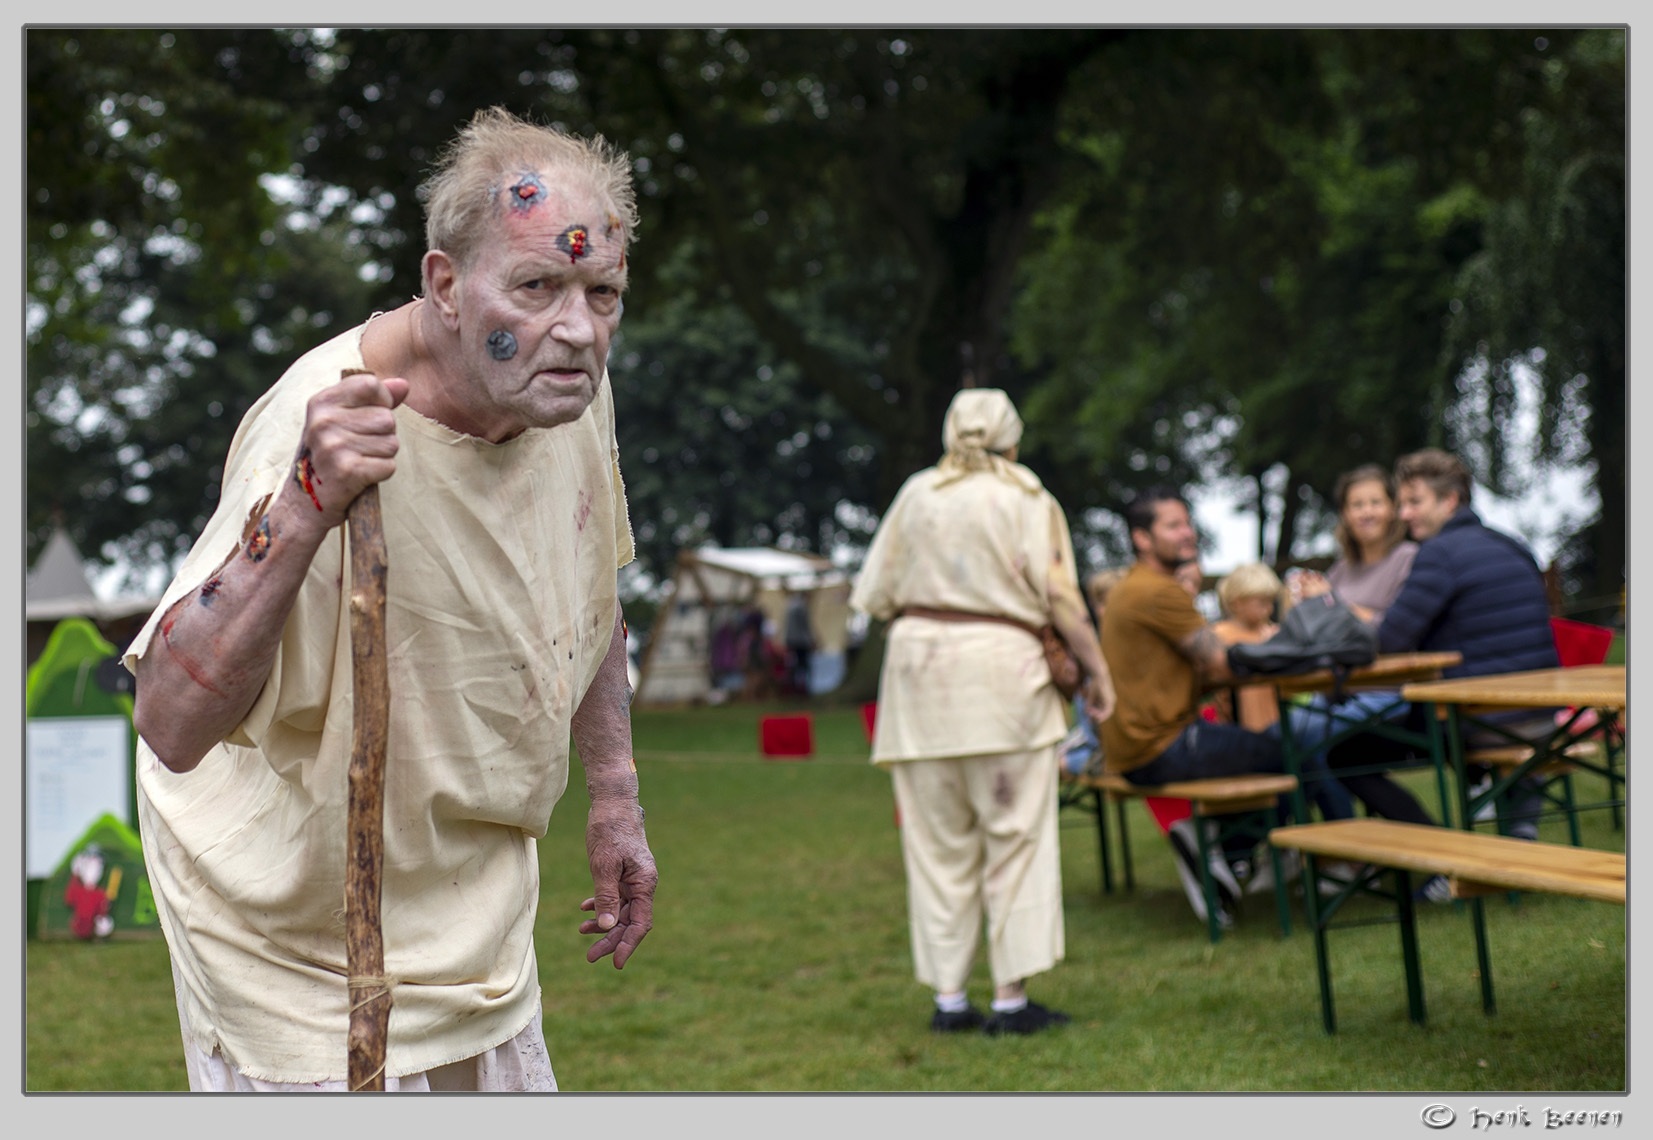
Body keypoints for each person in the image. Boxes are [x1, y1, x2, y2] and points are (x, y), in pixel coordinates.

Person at [125, 107, 658, 1091]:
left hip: (473, 918)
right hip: (300, 943)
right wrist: (303, 507)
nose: (579, 330)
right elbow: (168, 720)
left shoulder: (566, 385)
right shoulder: (323, 416)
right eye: (538, 285)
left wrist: (616, 800)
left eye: (604, 291)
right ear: (446, 286)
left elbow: (592, 592)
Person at [849, 388, 1114, 1037]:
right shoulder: (1026, 495)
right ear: (1011, 439)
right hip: (1003, 678)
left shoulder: (916, 494)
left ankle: (948, 1001)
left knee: (937, 849)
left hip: (919, 683)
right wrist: (1098, 673)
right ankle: (1008, 1000)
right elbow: (1060, 594)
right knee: (1013, 840)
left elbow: (875, 594)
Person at [1307, 449, 1561, 891]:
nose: (1403, 514)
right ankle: (1518, 830)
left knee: (1342, 755)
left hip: (1478, 721)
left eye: (1413, 502)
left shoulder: (1439, 554)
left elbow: (1389, 640)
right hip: (1543, 716)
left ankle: (1438, 862)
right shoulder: (1511, 543)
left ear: (1450, 501)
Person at [1099, 488, 1291, 925]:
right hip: (1163, 746)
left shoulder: (1132, 587)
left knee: (1265, 748)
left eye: (1187, 522)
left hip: (1133, 749)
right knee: (1291, 752)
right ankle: (1302, 858)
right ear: (1142, 539)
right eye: (1173, 525)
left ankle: (1228, 852)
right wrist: (1291, 651)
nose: (1187, 533)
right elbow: (1220, 662)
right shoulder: (1157, 592)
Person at [783, 591, 816, 696]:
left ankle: (794, 688)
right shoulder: (802, 607)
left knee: (794, 665)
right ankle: (803, 688)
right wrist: (811, 639)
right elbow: (805, 626)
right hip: (801, 641)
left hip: (791, 640)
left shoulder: (789, 606)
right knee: (804, 665)